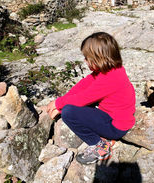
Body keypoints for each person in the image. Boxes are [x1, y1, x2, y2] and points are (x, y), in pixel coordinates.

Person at [46, 32, 136, 165]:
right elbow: (83, 85)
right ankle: (103, 138)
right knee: (71, 105)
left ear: (98, 59)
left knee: (69, 112)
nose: (85, 61)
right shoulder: (110, 70)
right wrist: (61, 100)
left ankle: (100, 146)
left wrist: (59, 104)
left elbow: (83, 98)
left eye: (87, 58)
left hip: (115, 126)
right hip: (112, 117)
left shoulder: (109, 79)